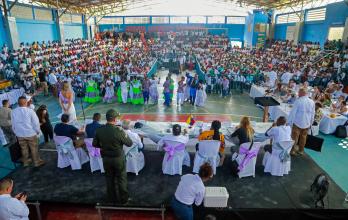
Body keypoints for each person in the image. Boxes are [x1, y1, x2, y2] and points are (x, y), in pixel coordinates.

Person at [93, 109, 133, 204]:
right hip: (118, 158)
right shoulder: (118, 130)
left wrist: (104, 147)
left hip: (106, 158)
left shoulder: (99, 130)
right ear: (115, 119)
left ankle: (111, 198)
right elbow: (129, 143)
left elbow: (95, 144)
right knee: (121, 178)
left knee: (109, 178)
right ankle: (124, 199)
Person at [11, 96, 45, 167]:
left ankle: (26, 162)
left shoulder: (13, 112)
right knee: (34, 148)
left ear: (18, 103)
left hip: (20, 134)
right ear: (26, 102)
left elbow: (13, 124)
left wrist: (16, 132)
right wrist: (37, 131)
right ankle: (36, 162)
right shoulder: (30, 111)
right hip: (30, 133)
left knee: (23, 148)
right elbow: (35, 123)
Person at [287, 88, 315, 156]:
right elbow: (313, 113)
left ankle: (292, 151)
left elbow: (293, 113)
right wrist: (311, 123)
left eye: (299, 92)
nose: (298, 94)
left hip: (297, 122)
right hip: (307, 123)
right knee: (303, 137)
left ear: (302, 93)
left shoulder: (298, 101)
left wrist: (289, 122)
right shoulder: (312, 102)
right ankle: (301, 150)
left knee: (294, 137)